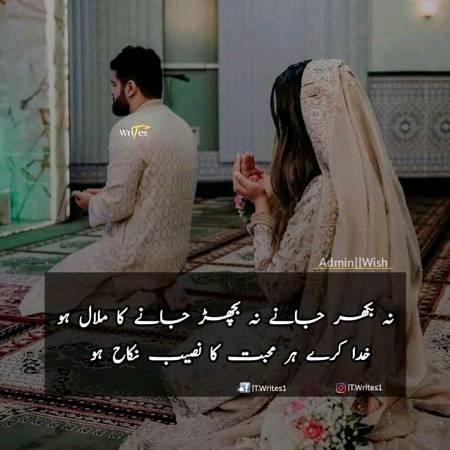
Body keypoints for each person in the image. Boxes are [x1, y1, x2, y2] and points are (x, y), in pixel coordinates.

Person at [119, 60, 450, 449]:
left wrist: (261, 210)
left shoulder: (322, 194)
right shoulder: (367, 185)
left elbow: (277, 285)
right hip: (368, 347)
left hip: (313, 345)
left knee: (194, 361)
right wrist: (269, 199)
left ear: (301, 125)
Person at [19, 46, 197, 315]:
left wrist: (91, 203)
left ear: (130, 88)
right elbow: (151, 191)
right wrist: (104, 193)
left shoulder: (129, 130)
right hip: (172, 261)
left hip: (133, 258)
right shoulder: (182, 128)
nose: (112, 92)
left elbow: (117, 207)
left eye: (114, 85)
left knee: (44, 296)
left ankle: (143, 297)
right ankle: (160, 288)